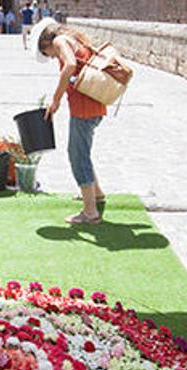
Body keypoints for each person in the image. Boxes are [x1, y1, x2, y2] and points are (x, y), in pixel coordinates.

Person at [34, 19, 107, 225]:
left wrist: (55, 99)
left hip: (84, 108)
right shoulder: (74, 39)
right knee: (83, 150)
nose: (50, 57)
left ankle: (90, 212)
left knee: (77, 155)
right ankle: (96, 194)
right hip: (94, 104)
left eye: (46, 54)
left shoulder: (59, 41)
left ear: (45, 44)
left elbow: (70, 65)